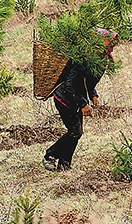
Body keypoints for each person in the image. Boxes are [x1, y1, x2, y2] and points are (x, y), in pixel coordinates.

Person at [43, 28, 117, 172]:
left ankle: (64, 165)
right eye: (111, 43)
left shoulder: (100, 59)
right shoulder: (82, 59)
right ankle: (50, 155)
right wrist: (83, 103)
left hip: (76, 98)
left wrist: (93, 95)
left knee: (76, 132)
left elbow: (87, 81)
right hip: (64, 98)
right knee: (75, 131)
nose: (113, 47)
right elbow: (70, 84)